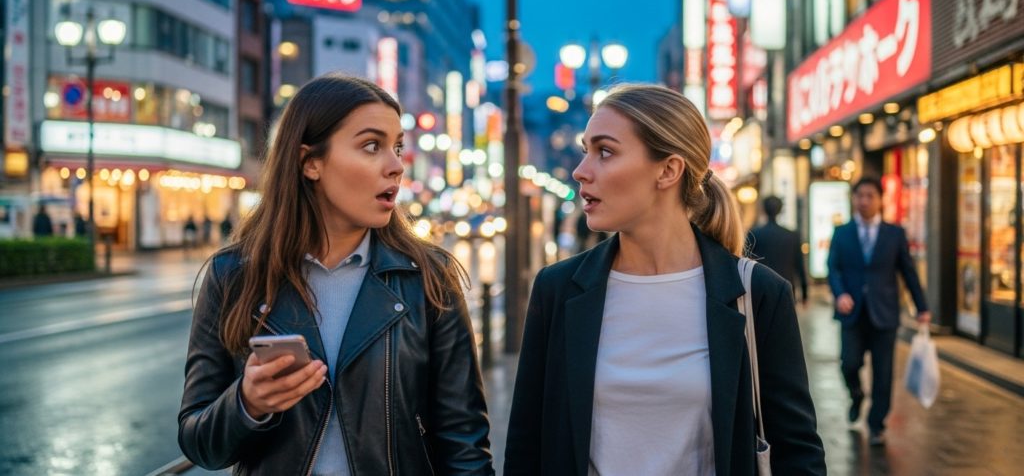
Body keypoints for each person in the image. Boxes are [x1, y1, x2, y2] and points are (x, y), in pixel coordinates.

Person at [179, 74, 494, 475]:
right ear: (311, 162)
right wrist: (247, 403)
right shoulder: (235, 275)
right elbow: (197, 441)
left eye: (397, 147)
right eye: (371, 146)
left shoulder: (428, 278)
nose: (396, 166)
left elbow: (464, 443)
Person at [504, 84, 825, 475]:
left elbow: (797, 453)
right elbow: (526, 447)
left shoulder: (756, 293)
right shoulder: (558, 288)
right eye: (585, 150)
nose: (580, 170)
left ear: (669, 170)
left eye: (605, 151)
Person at [827, 176, 930, 446]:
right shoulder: (842, 232)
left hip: (885, 313)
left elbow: (907, 271)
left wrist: (922, 307)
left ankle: (876, 424)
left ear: (880, 198)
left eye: (870, 195)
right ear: (854, 198)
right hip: (853, 313)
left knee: (883, 373)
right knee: (848, 363)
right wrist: (840, 294)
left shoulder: (894, 234)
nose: (864, 200)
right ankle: (857, 395)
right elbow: (833, 268)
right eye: (859, 195)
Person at [748, 195, 810, 304]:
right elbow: (799, 266)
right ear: (781, 210)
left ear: (763, 210)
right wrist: (805, 294)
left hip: (760, 288)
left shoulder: (754, 234)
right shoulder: (792, 236)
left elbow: (747, 263)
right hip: (786, 289)